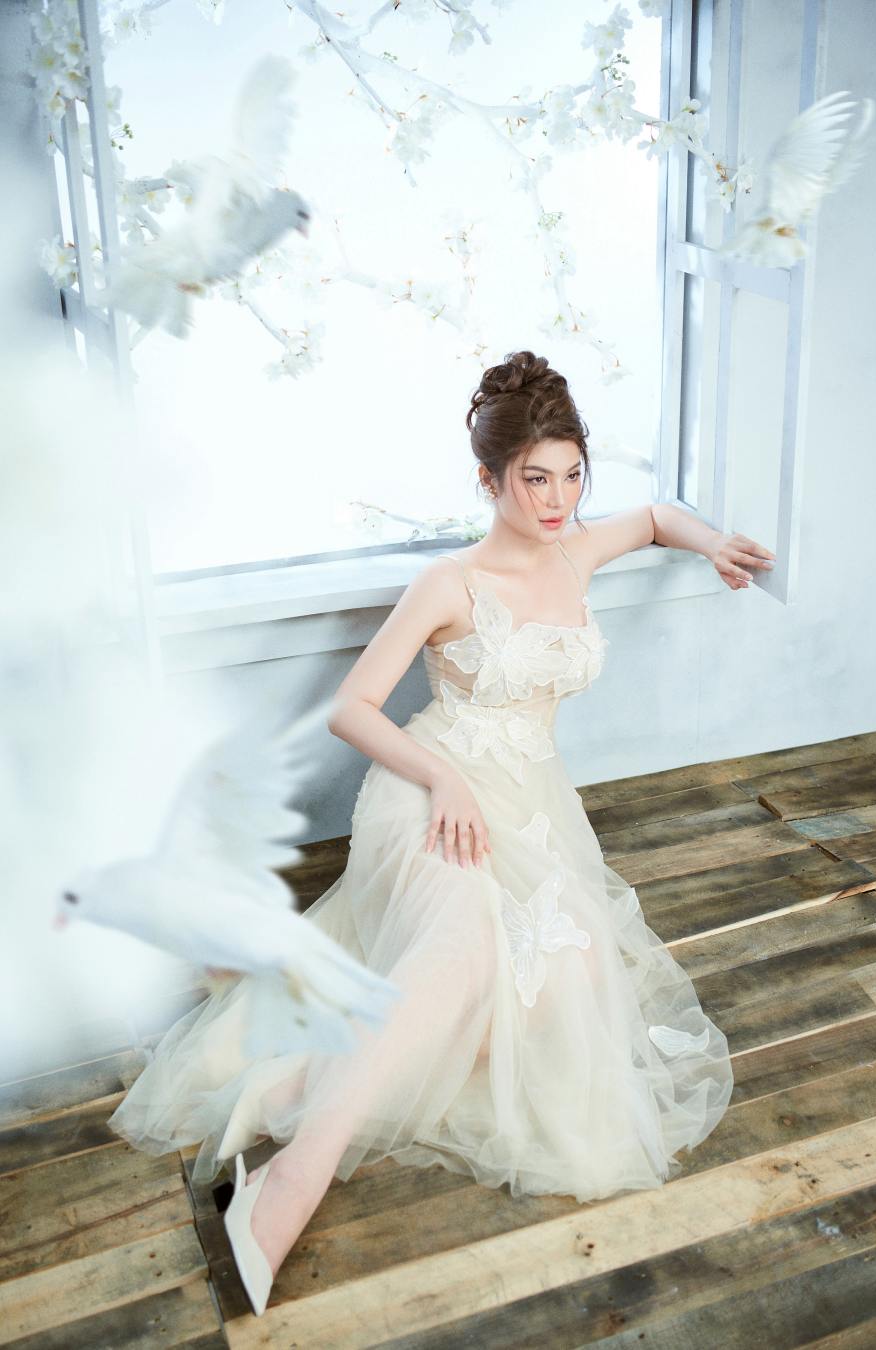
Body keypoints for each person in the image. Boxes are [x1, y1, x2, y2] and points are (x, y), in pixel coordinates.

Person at [108, 350, 775, 1315]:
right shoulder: (450, 582)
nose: (558, 499)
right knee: (463, 954)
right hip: (428, 789)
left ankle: (307, 1080)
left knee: (567, 987)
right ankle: (290, 1180)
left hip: (531, 806)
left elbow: (661, 516)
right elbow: (353, 708)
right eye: (535, 479)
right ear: (489, 480)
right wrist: (442, 777)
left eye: (573, 475)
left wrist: (713, 543)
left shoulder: (577, 548)